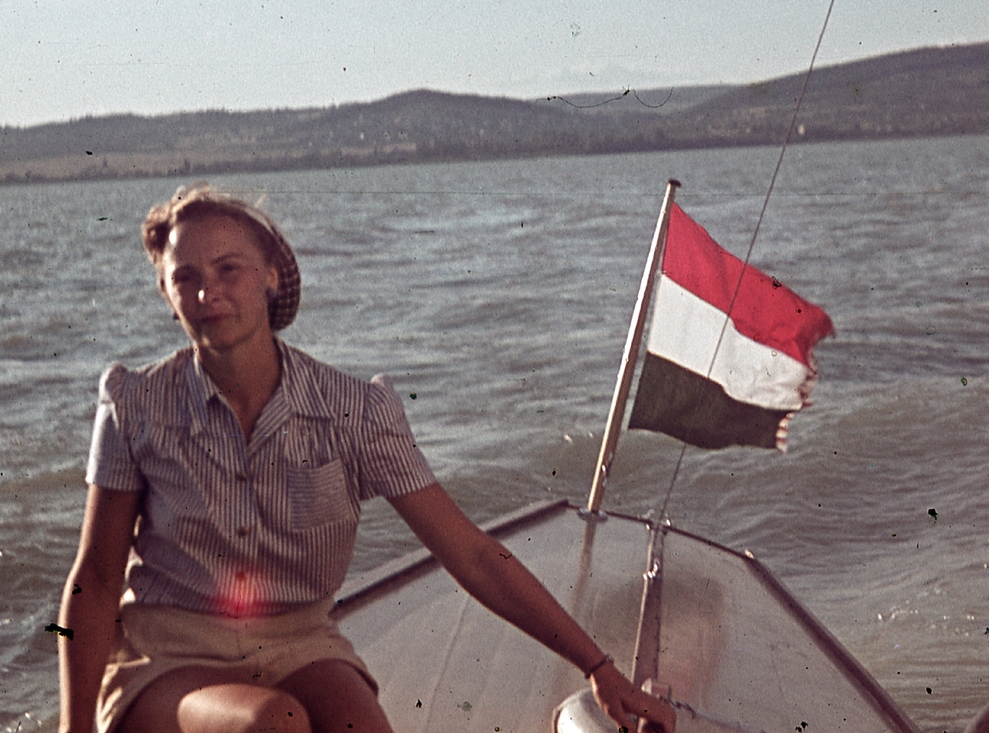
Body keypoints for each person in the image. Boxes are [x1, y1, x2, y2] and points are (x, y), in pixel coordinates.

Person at [57, 184, 674, 733]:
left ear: (271, 275)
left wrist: (597, 667)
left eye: (228, 269)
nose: (207, 292)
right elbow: (96, 578)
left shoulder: (354, 411)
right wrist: (75, 727)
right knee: (274, 722)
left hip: (299, 642)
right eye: (185, 276)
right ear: (166, 293)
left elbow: (473, 555)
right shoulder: (136, 406)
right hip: (167, 654)